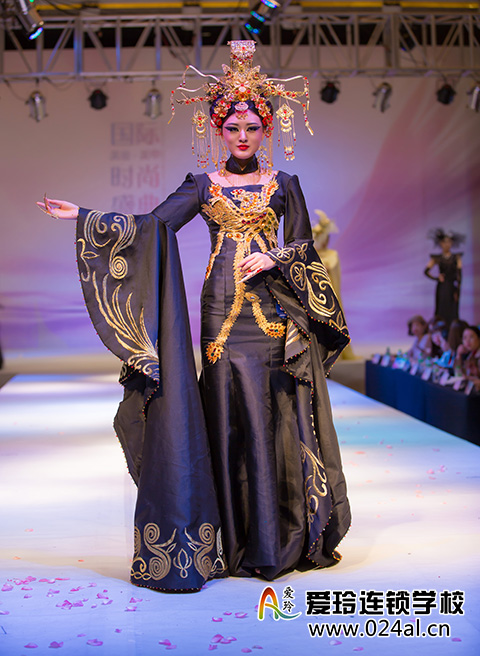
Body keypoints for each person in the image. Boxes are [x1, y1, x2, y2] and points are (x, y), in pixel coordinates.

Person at [37, 41, 351, 593]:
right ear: (217, 130)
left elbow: (304, 248)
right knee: (226, 414)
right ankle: (228, 541)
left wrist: (276, 257)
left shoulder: (285, 185)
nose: (242, 136)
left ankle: (272, 542)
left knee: (270, 416)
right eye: (232, 128)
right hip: (219, 316)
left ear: (266, 130)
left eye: (252, 127)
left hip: (271, 313)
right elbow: (153, 226)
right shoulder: (203, 185)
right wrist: (84, 216)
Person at [312, 210, 355, 360]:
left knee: (333, 322)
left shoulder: (332, 255)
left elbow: (333, 272)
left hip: (329, 294)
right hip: (315, 294)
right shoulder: (312, 255)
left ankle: (336, 352)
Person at [424, 228, 464, 327]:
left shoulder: (456, 257)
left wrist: (457, 290)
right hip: (442, 287)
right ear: (440, 243)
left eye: (449, 242)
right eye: (444, 242)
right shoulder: (437, 258)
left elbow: (459, 275)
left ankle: (453, 330)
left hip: (452, 286)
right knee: (441, 309)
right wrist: (436, 278)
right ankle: (440, 329)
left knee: (452, 310)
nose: (447, 244)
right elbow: (426, 271)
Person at [454, 325, 480, 391]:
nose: (467, 341)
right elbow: (458, 373)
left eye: (471, 337)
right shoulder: (470, 354)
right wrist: (458, 355)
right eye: (465, 338)